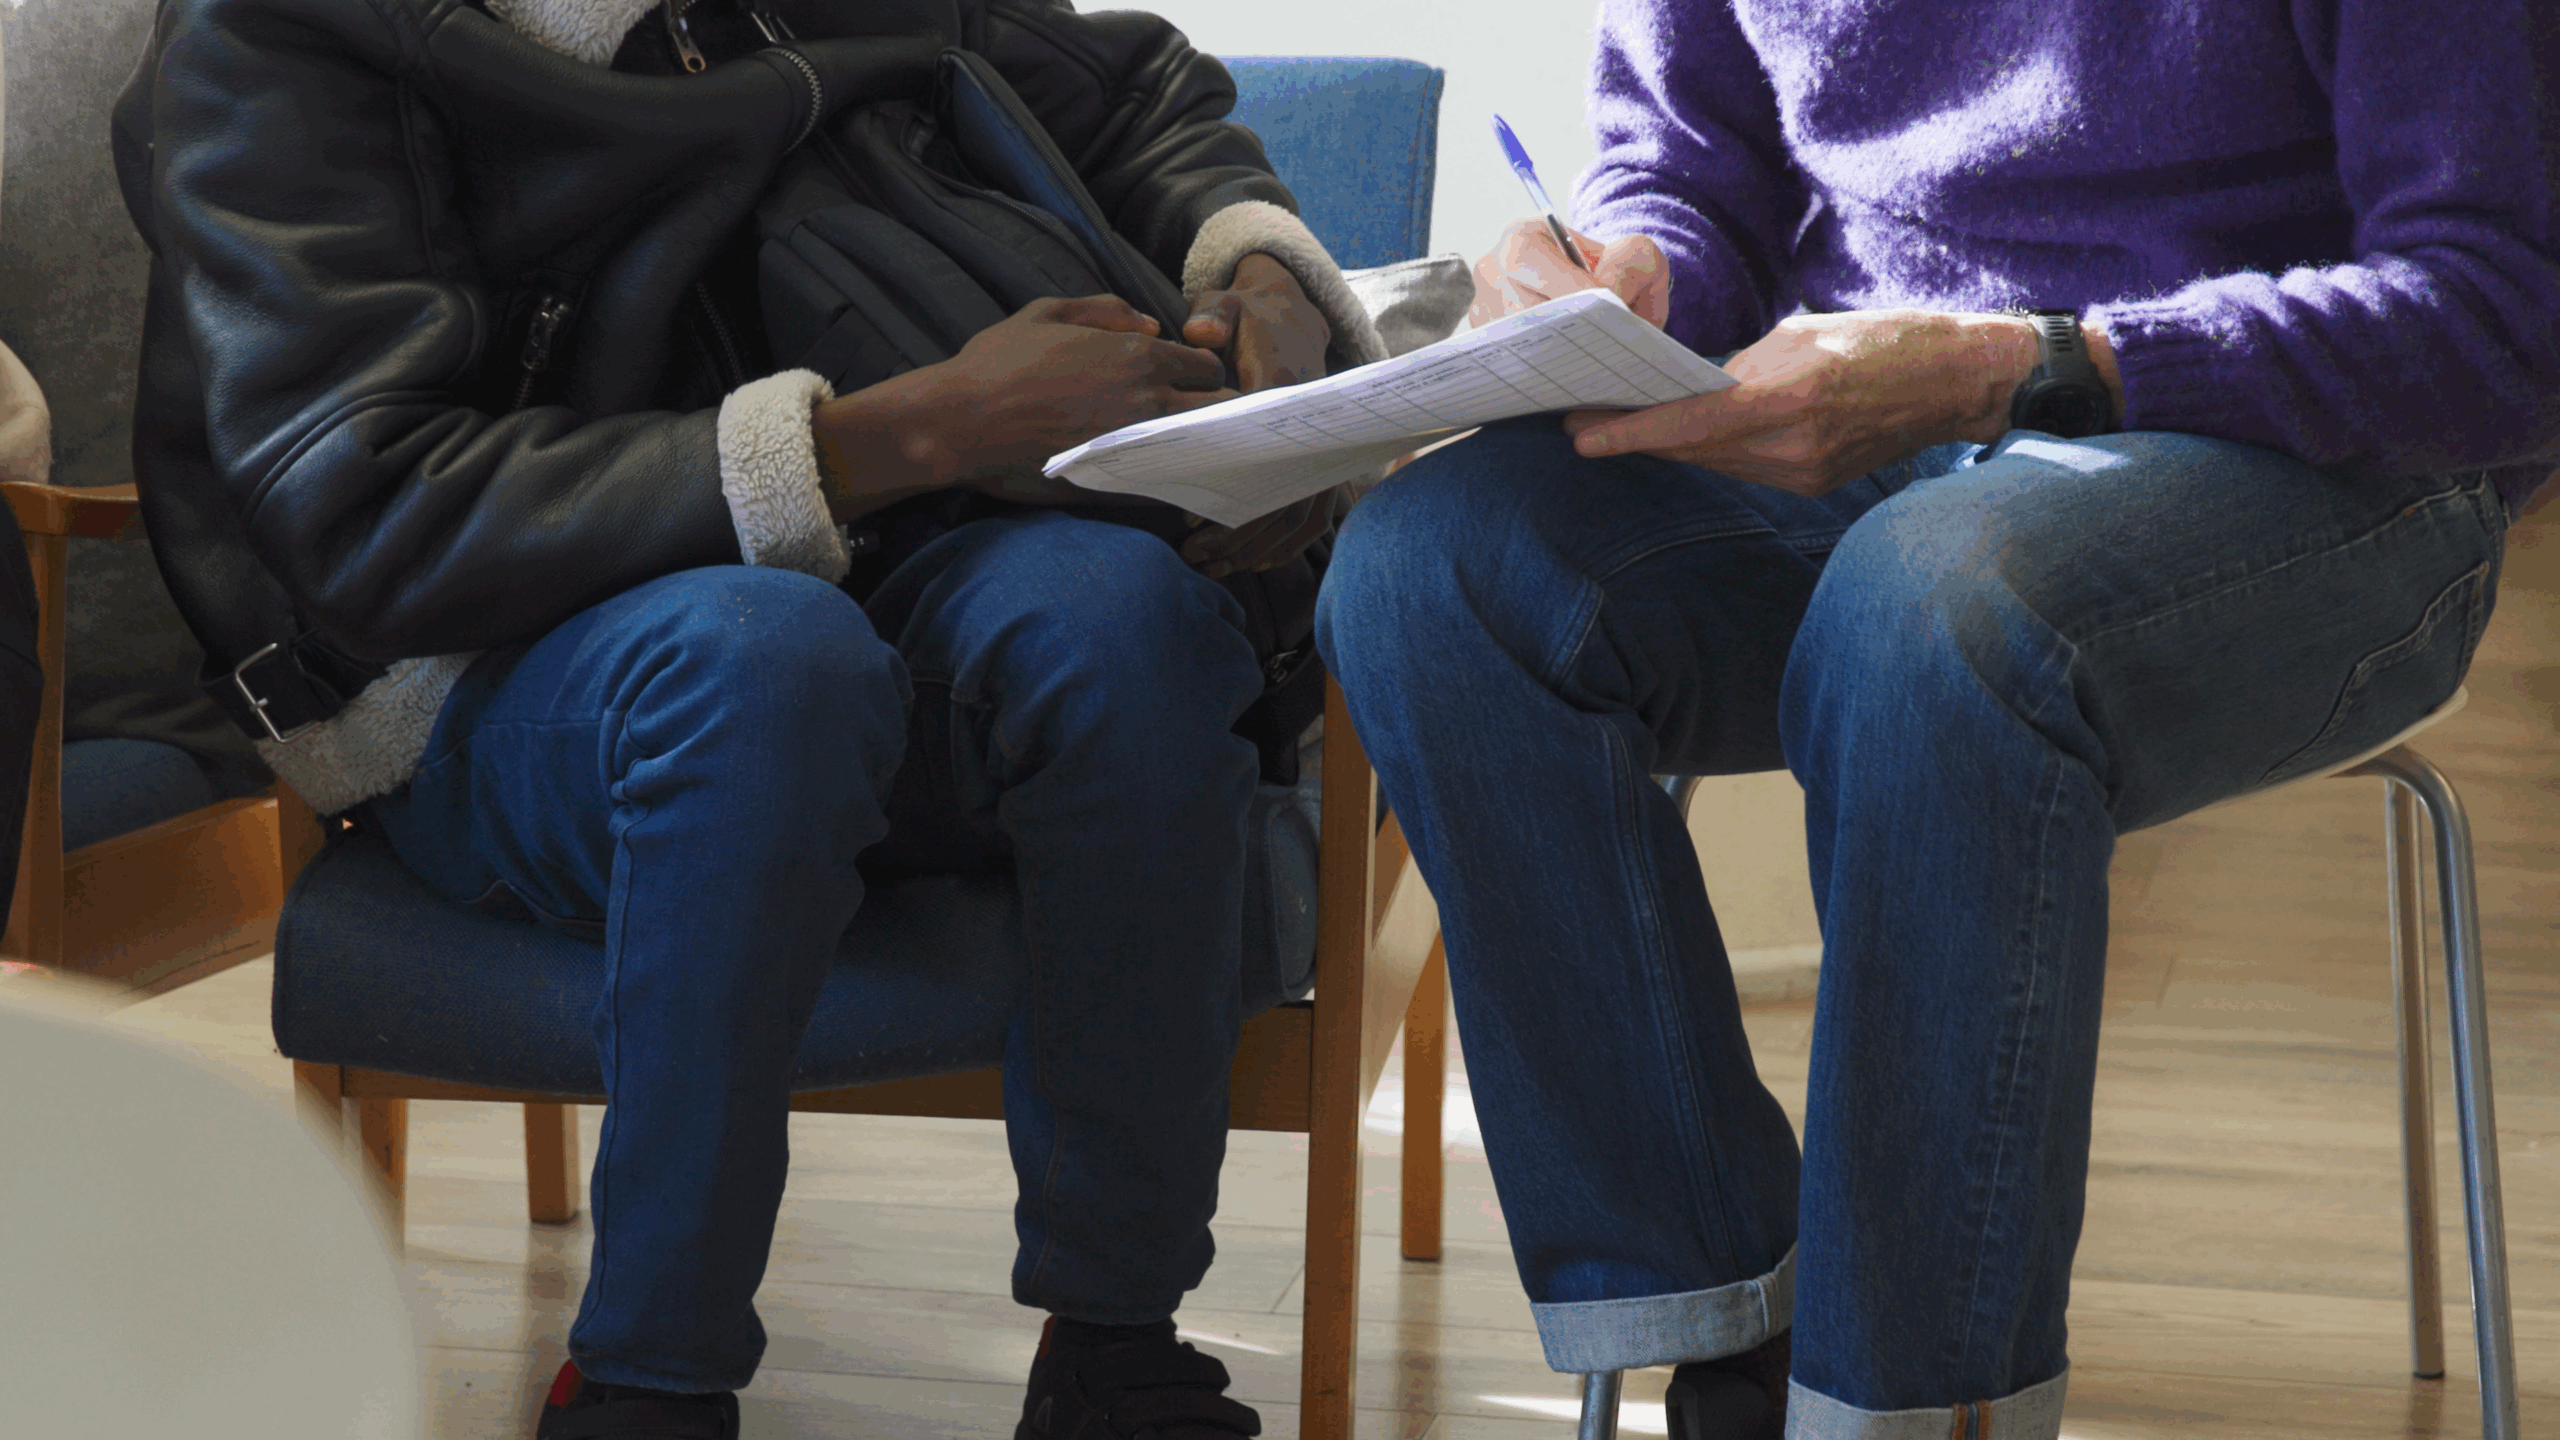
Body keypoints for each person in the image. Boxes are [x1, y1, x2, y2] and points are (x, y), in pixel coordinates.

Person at [113, 2, 1383, 1438]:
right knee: (764, 660)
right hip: (476, 662)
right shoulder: (281, 33)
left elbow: (1131, 89)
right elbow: (367, 505)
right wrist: (908, 433)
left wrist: (1261, 268)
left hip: (886, 565)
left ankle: (1119, 1349)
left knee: (1117, 617)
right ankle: (650, 1380)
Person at [1316, 3, 2558, 1438]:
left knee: (1932, 615)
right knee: (1430, 575)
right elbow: (1694, 169)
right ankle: (1744, 1346)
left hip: (2327, 458)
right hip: (1891, 433)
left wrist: (2020, 362)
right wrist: (1635, 269)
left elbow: (2506, 317)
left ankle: (1897, 1407)